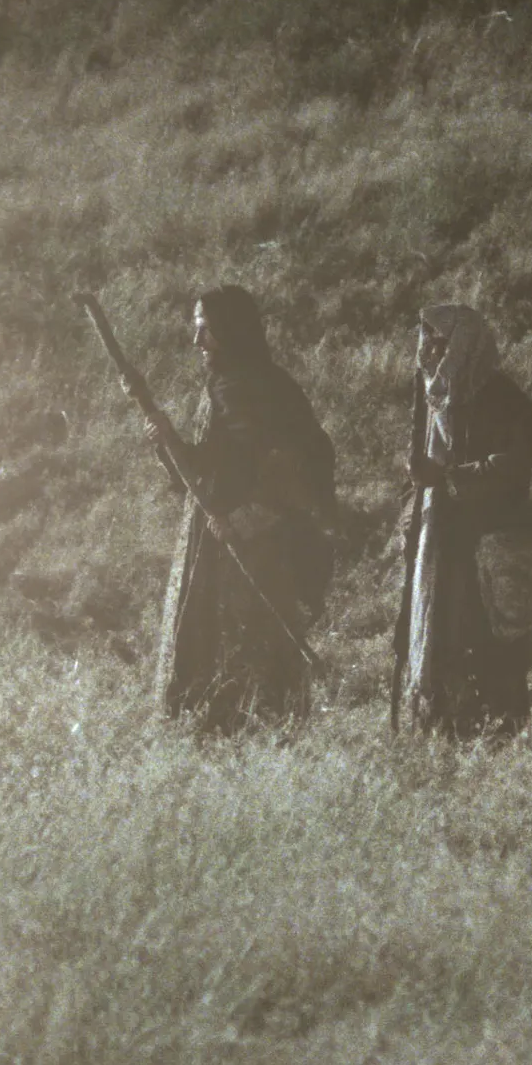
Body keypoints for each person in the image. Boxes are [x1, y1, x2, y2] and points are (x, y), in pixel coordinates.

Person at [153, 287, 338, 732]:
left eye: (205, 330)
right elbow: (207, 469)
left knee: (251, 641)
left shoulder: (257, 389)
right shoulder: (223, 384)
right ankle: (217, 735)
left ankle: (260, 736)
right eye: (196, 329)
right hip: (214, 535)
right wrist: (167, 444)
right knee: (212, 640)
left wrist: (244, 519)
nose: (198, 342)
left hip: (255, 544)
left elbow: (293, 465)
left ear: (230, 331)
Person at [397, 302, 532, 741]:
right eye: (426, 345)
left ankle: (494, 743)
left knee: (489, 648)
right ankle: (442, 734)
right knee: (442, 640)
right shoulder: (439, 403)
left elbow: (512, 467)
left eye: (438, 345)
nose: (428, 356)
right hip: (444, 546)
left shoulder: (505, 401)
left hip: (487, 549)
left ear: (462, 346)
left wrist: (446, 477)